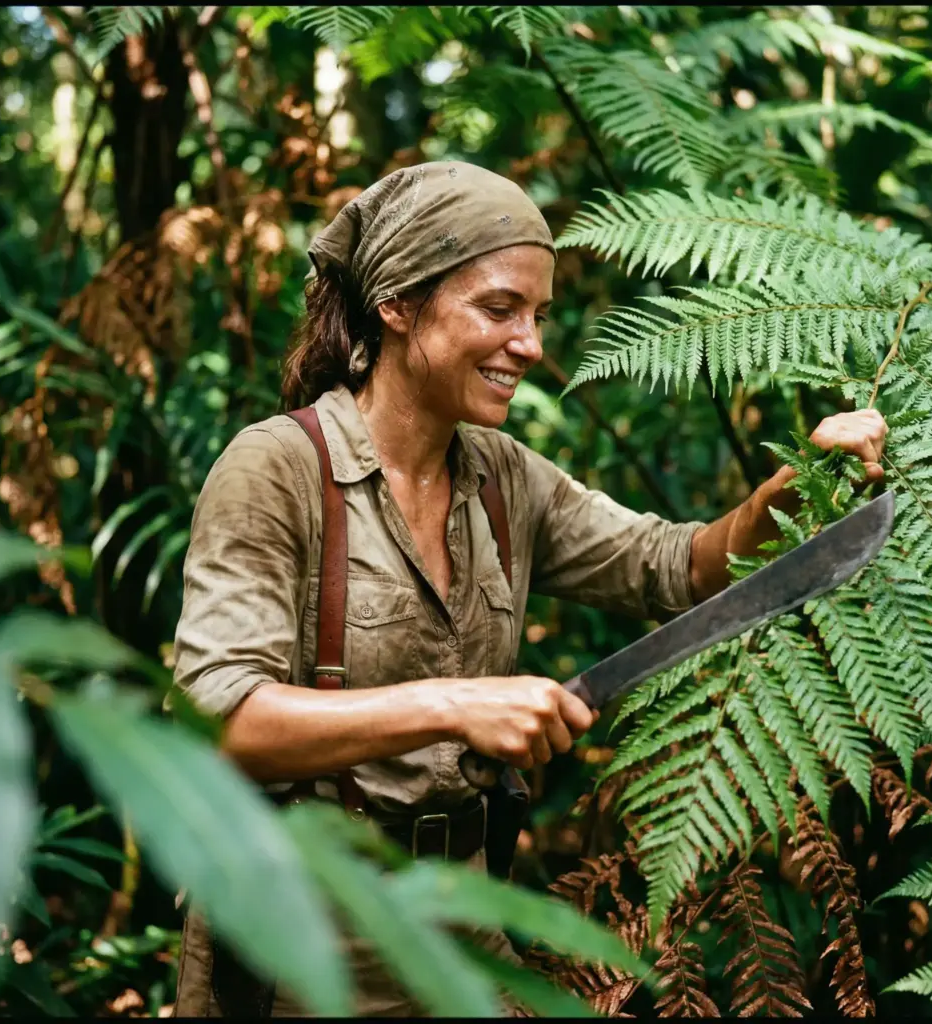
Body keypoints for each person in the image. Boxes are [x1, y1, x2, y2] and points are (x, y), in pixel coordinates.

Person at [170, 161, 888, 1017]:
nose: (533, 345)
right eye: (499, 309)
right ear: (397, 305)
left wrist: (789, 490)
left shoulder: (503, 477)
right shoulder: (278, 469)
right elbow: (221, 723)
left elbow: (682, 567)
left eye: (538, 316)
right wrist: (454, 704)